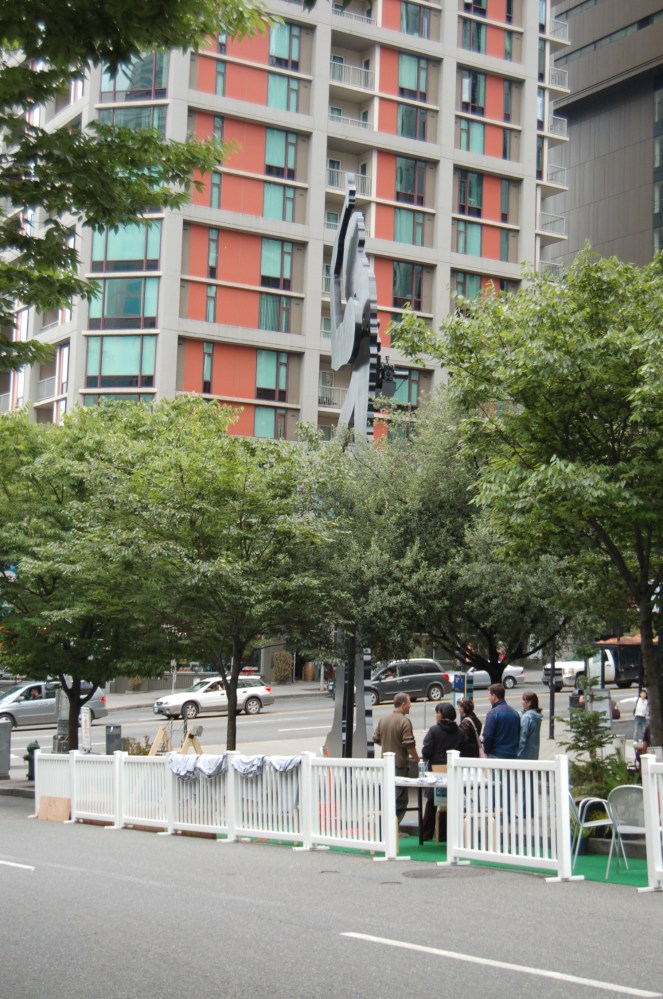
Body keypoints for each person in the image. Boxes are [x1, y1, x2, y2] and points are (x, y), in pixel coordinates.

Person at [372, 692, 419, 835]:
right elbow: (409, 744)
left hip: (386, 764)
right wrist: (416, 758)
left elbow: (375, 738)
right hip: (399, 764)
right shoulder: (404, 721)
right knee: (401, 798)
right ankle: (393, 828)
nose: (411, 705)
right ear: (404, 704)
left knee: (388, 795)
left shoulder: (383, 719)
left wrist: (387, 743)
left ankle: (387, 827)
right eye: (409, 702)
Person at [420, 701, 466, 840]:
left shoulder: (434, 730)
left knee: (432, 802)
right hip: (452, 771)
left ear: (442, 714)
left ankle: (426, 834)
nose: (436, 715)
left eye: (437, 712)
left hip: (435, 770)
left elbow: (426, 750)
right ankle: (444, 834)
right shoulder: (460, 732)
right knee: (448, 802)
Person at [482, 683, 520, 758]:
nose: (488, 698)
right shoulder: (515, 713)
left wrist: (486, 750)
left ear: (494, 696)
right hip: (512, 754)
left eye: (489, 695)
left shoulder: (493, 713)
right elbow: (518, 734)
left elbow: (488, 736)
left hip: (496, 754)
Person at [518, 691, 543, 760]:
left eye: (523, 700)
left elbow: (522, 737)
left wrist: (519, 754)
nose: (521, 702)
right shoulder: (537, 716)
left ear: (529, 703)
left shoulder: (526, 717)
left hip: (525, 755)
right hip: (534, 753)